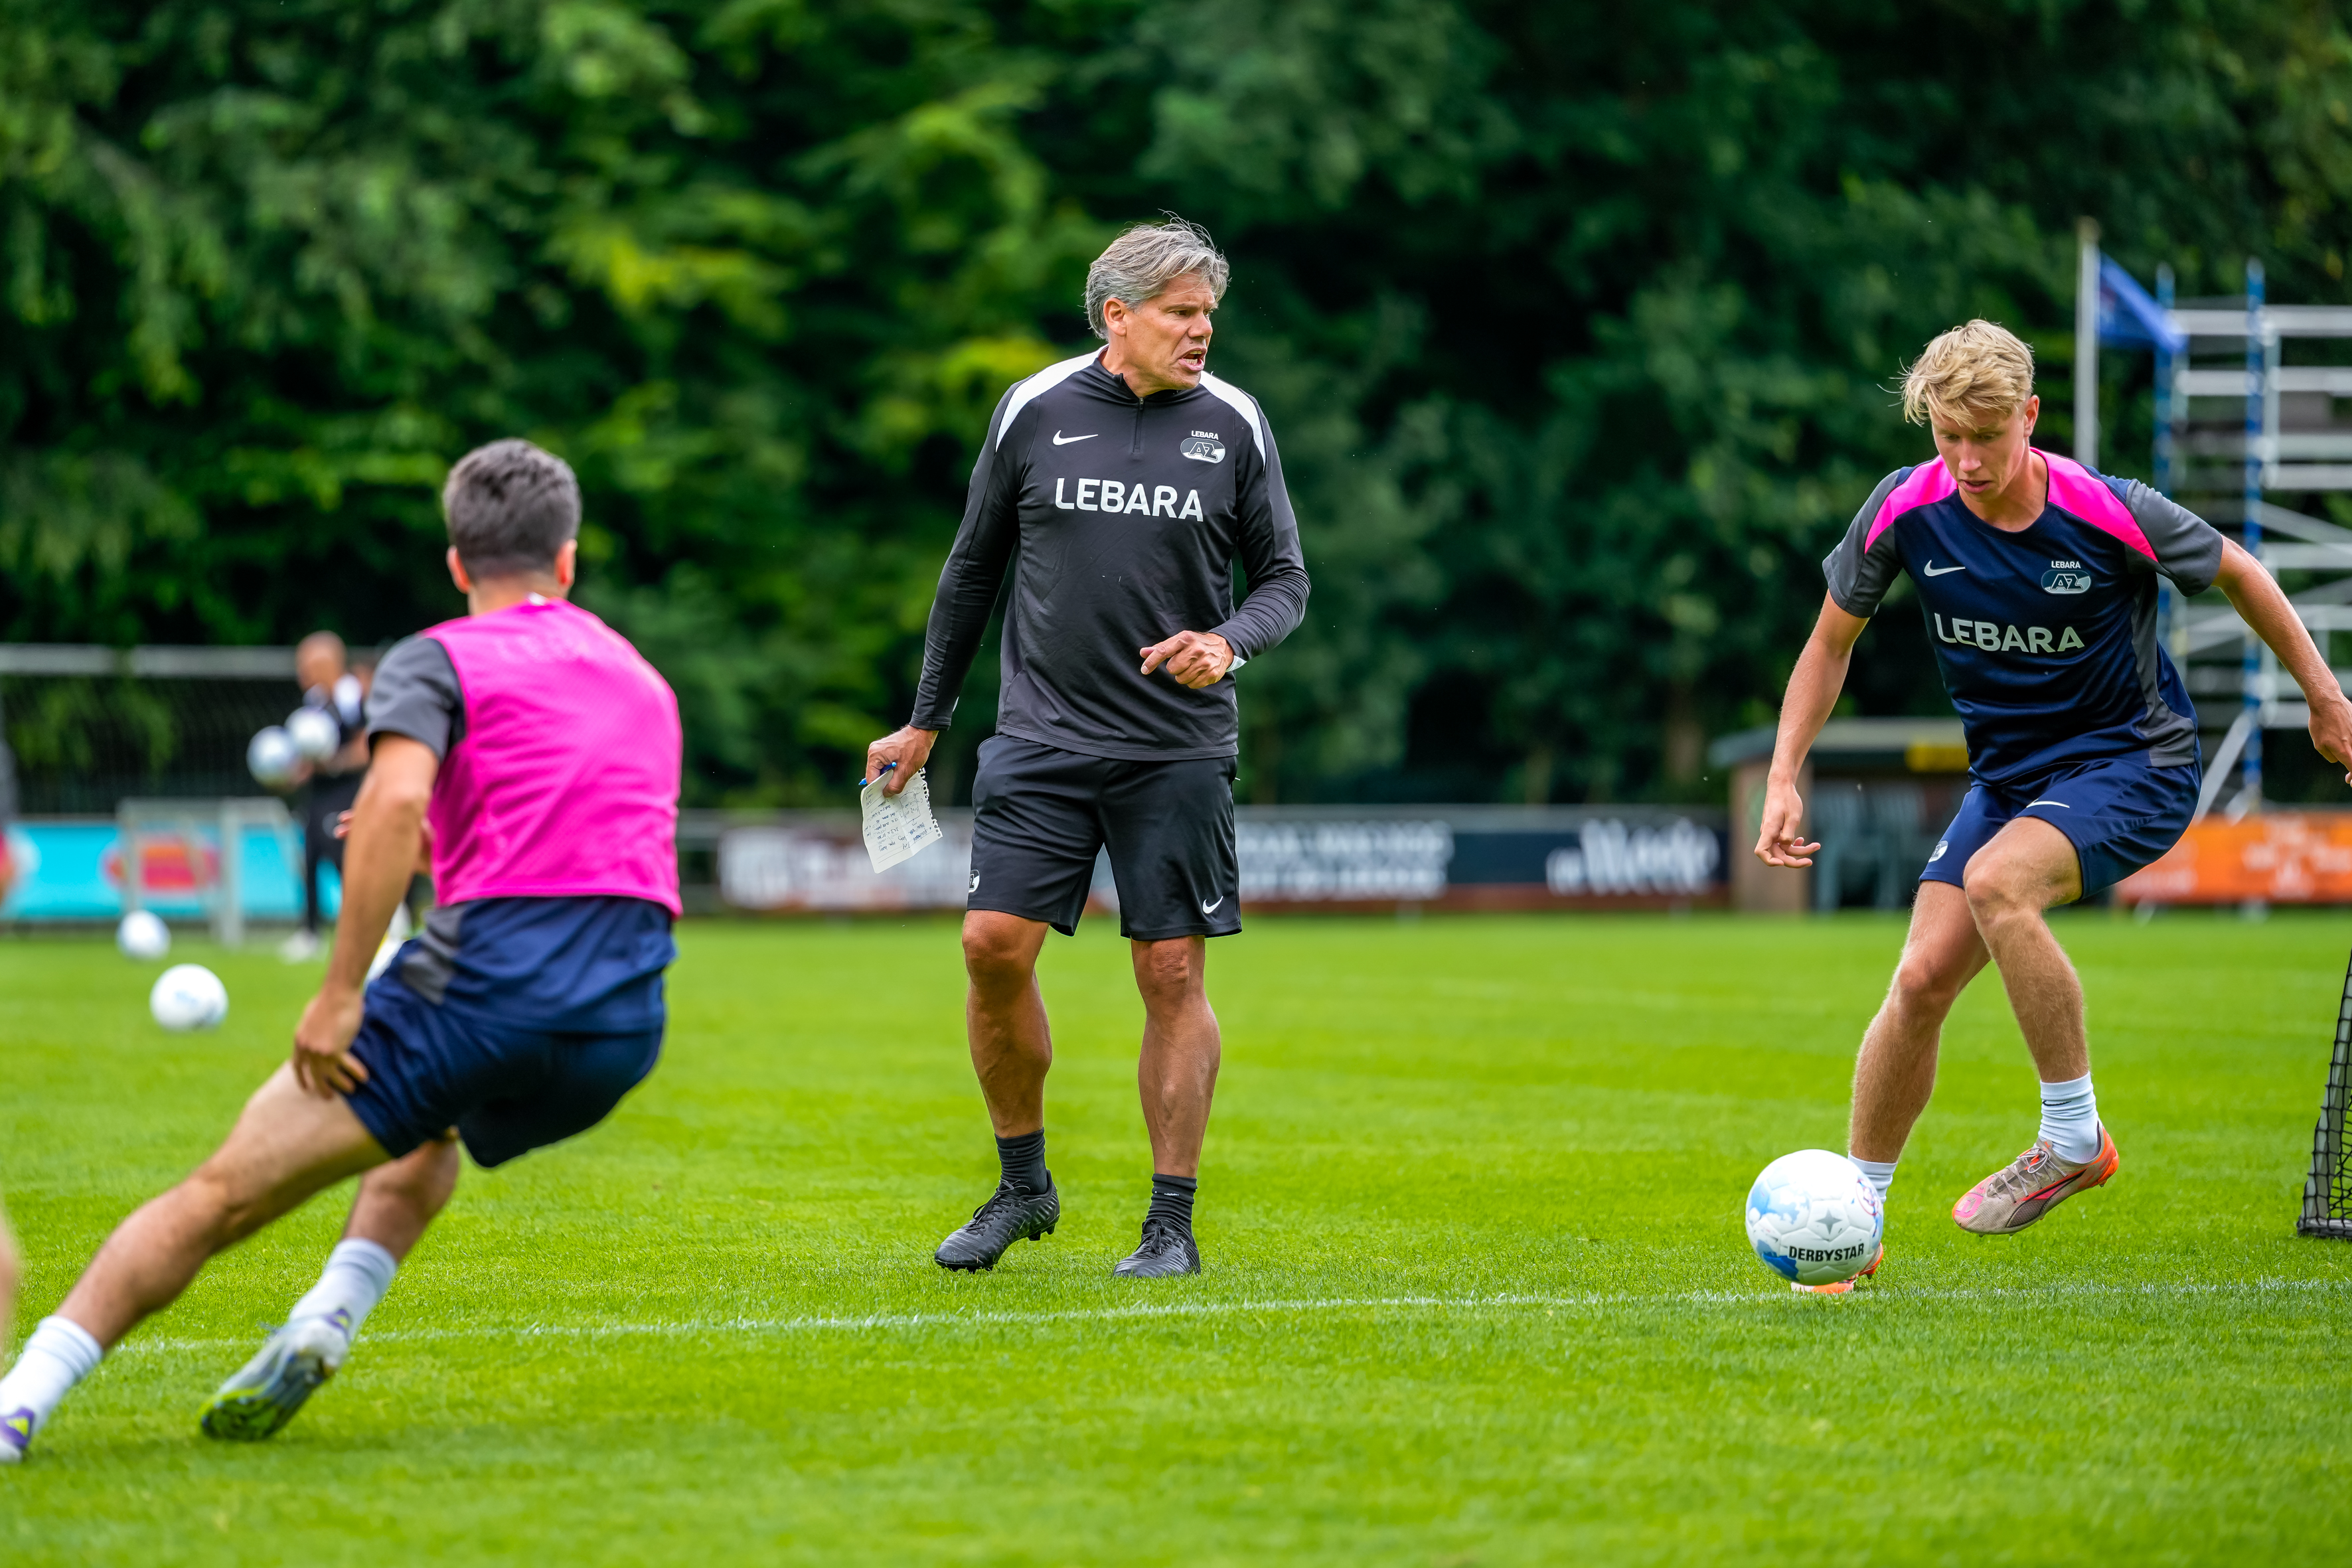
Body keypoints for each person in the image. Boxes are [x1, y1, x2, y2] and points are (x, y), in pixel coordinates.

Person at [0, 438, 683, 1461]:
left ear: (457, 564)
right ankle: (330, 1312)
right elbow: (573, 836)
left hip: (485, 988)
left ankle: (20, 1400)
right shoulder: (641, 675)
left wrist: (336, 992)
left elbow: (398, 796)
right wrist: (436, 835)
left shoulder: (435, 654)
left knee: (220, 1194)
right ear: (570, 560)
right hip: (624, 1024)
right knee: (427, 1132)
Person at [1755, 319, 2352, 1283]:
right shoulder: (1903, 508)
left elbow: (2239, 572)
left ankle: (2071, 1136)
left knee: (1997, 885)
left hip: (2135, 764)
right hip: (2009, 781)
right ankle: (1853, 1221)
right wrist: (1782, 775)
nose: (1962, 460)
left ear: (2026, 418)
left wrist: (2324, 698)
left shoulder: (2106, 508)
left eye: (1982, 438)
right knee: (1915, 983)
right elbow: (1829, 645)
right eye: (1944, 436)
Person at [864, 217, 1310, 1279]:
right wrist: (928, 717)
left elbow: (1285, 581)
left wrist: (1227, 642)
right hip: (1039, 738)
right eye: (1179, 314)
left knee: (1168, 968)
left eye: (1208, 315)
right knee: (989, 948)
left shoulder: (1235, 423)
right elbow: (969, 571)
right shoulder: (1033, 409)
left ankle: (1169, 1226)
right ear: (1117, 315)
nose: (1201, 332)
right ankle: (1023, 1186)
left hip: (1177, 749)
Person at [281, 632, 372, 962]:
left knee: (344, 861)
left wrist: (332, 764)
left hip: (347, 792)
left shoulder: (354, 697)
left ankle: (368, 925)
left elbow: (366, 749)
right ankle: (309, 933)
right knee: (308, 860)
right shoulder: (314, 703)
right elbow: (306, 758)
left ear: (327, 664)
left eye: (307, 666)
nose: (302, 674)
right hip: (317, 795)